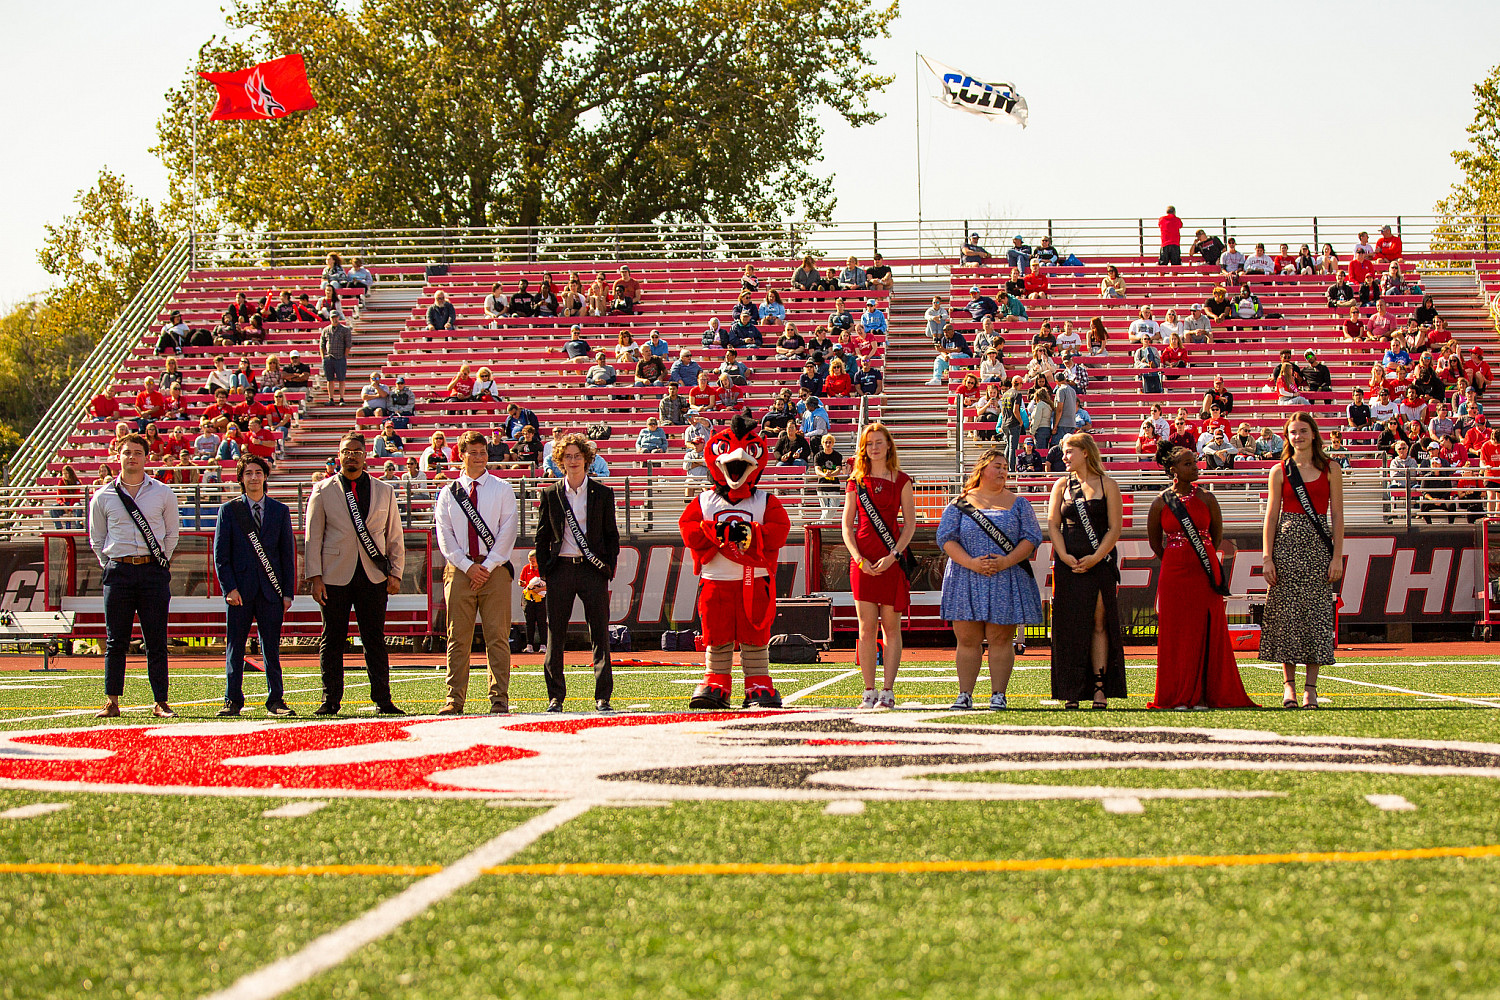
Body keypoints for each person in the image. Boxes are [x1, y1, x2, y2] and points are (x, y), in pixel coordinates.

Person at [1145, 444, 1257, 710]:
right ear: (1173, 470)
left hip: (1205, 572)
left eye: (1195, 462)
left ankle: (1206, 695)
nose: (1195, 467)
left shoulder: (1207, 498)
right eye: (1188, 464)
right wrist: (1176, 557)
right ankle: (1179, 695)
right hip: (1174, 574)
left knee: (1207, 630)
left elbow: (1216, 536)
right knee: (1177, 633)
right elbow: (1155, 543)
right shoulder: (1160, 501)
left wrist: (1201, 556)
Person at [304, 431, 405, 716]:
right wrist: (315, 577)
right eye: (346, 451)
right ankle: (330, 700)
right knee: (332, 638)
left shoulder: (384, 490)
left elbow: (394, 535)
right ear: (339, 455)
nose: (352, 455)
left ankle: (383, 700)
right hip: (334, 576)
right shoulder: (323, 490)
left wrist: (395, 572)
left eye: (357, 451)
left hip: (373, 575)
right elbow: (313, 537)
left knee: (374, 638)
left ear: (365, 455)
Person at [939, 449, 1044, 711]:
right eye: (997, 466)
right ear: (982, 468)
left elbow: (1031, 537)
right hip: (966, 576)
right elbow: (946, 538)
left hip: (1005, 577)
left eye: (1005, 466)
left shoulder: (1019, 503)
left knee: (1001, 638)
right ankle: (964, 694)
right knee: (966, 638)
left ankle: (999, 694)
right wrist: (972, 563)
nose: (1002, 471)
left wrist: (1005, 562)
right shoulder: (960, 503)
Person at [87, 434, 180, 718]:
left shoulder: (163, 493)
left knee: (156, 640)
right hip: (119, 572)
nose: (132, 458)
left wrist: (158, 561)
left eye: (137, 453)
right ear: (118, 455)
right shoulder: (103, 496)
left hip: (153, 571)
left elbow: (172, 534)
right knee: (116, 641)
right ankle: (112, 702)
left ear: (146, 457)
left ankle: (161, 702)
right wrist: (114, 563)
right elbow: (97, 539)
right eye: (126, 452)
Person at [1260, 412, 1344, 710]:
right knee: (1286, 617)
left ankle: (1311, 689)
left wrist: (1337, 556)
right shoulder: (1279, 471)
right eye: (1293, 432)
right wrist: (1267, 557)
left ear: (1314, 434)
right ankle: (1289, 688)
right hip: (1286, 547)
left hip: (1318, 548)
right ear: (1287, 436)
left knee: (1315, 617)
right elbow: (1271, 517)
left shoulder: (1331, 468)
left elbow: (1337, 515)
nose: (1298, 436)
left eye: (1303, 431)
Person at [434, 431, 520, 715]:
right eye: (474, 452)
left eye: (483, 452)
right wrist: (467, 566)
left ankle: (499, 699)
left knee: (497, 636)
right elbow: (444, 536)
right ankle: (454, 700)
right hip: (459, 570)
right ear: (461, 455)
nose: (480, 457)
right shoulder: (448, 493)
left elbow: (508, 532)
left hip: (494, 570)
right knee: (458, 637)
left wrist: (488, 565)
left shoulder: (502, 488)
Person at [533, 434, 619, 712]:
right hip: (560, 571)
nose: (573, 461)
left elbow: (611, 535)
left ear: (587, 459)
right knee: (554, 636)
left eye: (577, 456)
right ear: (560, 460)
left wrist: (607, 568)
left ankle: (602, 696)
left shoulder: (603, 493)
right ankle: (555, 697)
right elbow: (542, 536)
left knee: (600, 635)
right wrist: (546, 570)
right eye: (567, 456)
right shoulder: (550, 493)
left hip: (592, 570)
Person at [1046, 433, 1126, 710]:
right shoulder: (1061, 485)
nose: (1064, 457)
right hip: (1068, 564)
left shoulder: (1108, 485)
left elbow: (1115, 528)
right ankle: (1072, 688)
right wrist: (1064, 556)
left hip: (1099, 564)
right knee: (1070, 625)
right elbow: (1053, 525)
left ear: (1086, 452)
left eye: (1069, 452)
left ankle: (1099, 689)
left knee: (1099, 623)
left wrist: (1095, 557)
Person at [212, 455, 296, 717]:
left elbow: (287, 554)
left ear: (265, 477)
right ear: (241, 478)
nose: (254, 477)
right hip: (239, 592)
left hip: (271, 591)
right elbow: (221, 556)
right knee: (235, 647)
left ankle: (275, 701)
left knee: (271, 648)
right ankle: (232, 701)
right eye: (248, 473)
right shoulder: (229, 510)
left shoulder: (280, 511)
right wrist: (229, 589)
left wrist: (287, 592)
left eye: (258, 472)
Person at [842, 423, 915, 709]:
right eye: (869, 443)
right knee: (866, 628)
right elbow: (847, 526)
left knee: (891, 628)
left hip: (891, 561)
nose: (874, 447)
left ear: (888, 446)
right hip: (862, 562)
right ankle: (868, 691)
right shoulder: (855, 481)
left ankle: (888, 691)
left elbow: (909, 525)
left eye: (879, 442)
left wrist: (894, 555)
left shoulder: (902, 480)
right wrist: (859, 559)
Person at [319, 312, 353, 404]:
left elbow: (348, 344)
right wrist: (323, 357)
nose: (334, 319)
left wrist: (344, 356)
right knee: (329, 379)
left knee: (341, 379)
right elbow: (322, 344)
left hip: (340, 357)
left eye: (336, 317)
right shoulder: (326, 330)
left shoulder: (345, 330)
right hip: (329, 357)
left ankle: (341, 398)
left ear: (338, 317)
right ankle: (331, 398)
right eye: (332, 317)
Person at [518, 550, 548, 653]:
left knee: (541, 621)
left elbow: (549, 585)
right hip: (528, 597)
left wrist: (539, 589)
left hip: (540, 598)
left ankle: (543, 644)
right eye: (530, 561)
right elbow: (521, 581)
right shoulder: (526, 568)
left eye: (533, 561)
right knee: (529, 622)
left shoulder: (543, 569)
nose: (531, 563)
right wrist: (521, 583)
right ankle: (529, 644)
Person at [812, 433, 844, 517]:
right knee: (825, 510)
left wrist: (831, 474)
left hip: (834, 486)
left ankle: (820, 523)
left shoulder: (837, 456)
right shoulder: (818, 456)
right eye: (826, 442)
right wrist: (824, 474)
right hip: (822, 485)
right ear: (822, 443)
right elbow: (817, 469)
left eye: (830, 442)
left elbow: (838, 468)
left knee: (833, 507)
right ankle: (823, 525)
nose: (828, 444)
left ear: (833, 443)